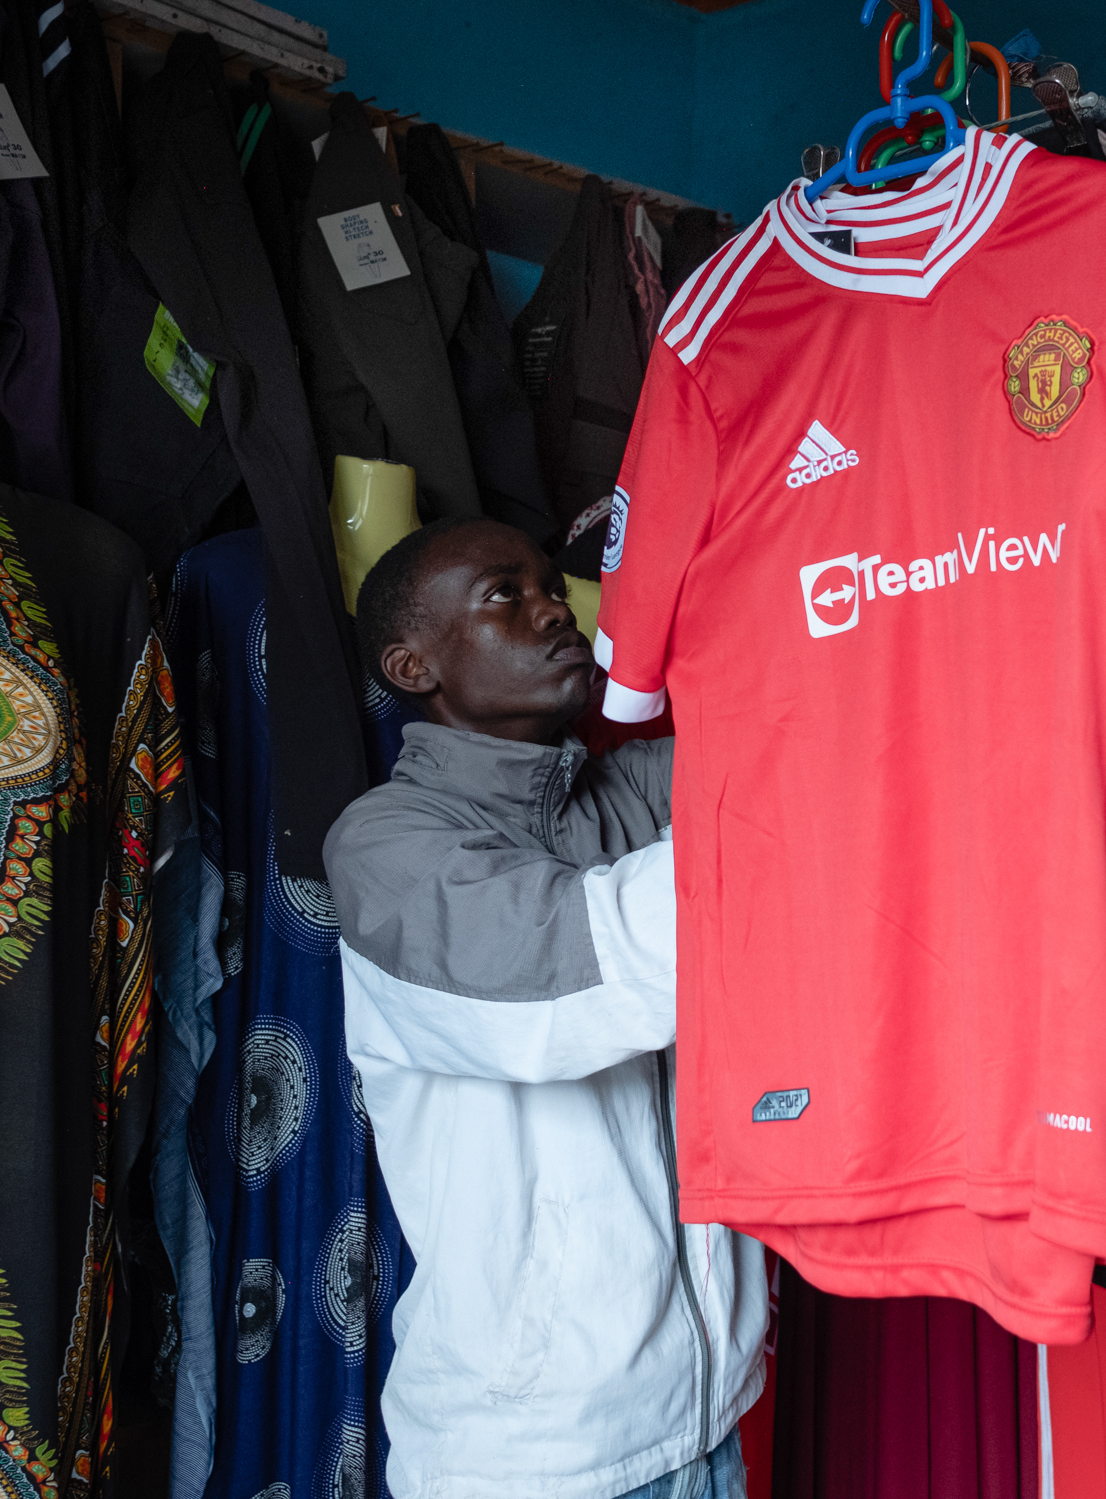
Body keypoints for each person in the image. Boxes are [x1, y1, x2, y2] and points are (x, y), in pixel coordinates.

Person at [324, 517, 767, 1499]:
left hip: (709, 1417)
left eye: (551, 586)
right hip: (534, 1457)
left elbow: (795, 752)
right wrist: (790, 822)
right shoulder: (387, 849)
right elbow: (585, 966)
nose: (551, 606)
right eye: (503, 594)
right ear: (411, 663)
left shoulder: (628, 792)